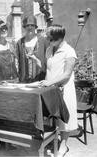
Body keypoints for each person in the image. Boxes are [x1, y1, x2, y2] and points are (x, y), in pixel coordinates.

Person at [36, 24, 78, 157]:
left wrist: (50, 82)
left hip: (64, 89)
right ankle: (53, 140)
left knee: (64, 119)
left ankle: (63, 146)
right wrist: (34, 60)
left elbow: (66, 74)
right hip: (50, 89)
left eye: (50, 39)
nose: (48, 41)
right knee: (51, 116)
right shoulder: (49, 49)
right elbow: (47, 68)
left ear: (59, 38)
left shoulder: (69, 51)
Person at [16, 15, 48, 83]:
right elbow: (17, 61)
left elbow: (48, 59)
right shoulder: (20, 42)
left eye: (32, 25)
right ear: (24, 27)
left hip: (41, 79)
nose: (30, 28)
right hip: (24, 80)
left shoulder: (43, 41)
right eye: (27, 26)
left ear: (35, 27)